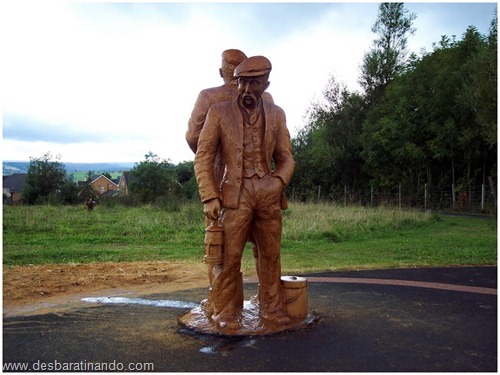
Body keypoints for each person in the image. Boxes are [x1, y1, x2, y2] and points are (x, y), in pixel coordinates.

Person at [194, 55, 295, 329]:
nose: (248, 91)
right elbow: (203, 157)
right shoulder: (218, 113)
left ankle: (272, 310)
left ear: (266, 84)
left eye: (255, 84)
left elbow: (286, 158)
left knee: (271, 256)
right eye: (243, 83)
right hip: (235, 195)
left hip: (267, 192)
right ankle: (225, 312)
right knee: (230, 256)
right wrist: (210, 196)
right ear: (236, 82)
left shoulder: (277, 114)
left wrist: (278, 182)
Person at [186, 49, 272, 306]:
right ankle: (267, 300)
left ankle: (224, 304)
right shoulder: (266, 97)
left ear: (222, 70)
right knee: (263, 247)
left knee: (221, 249)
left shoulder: (208, 97)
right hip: (260, 183)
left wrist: (218, 155)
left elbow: (193, 138)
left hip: (220, 183)